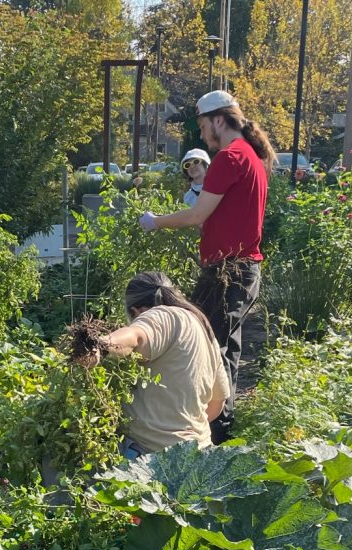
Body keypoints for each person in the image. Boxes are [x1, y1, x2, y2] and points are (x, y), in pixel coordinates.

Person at [137, 90, 274, 443]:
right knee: (227, 349)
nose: (200, 134)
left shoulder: (230, 158)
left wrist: (156, 221)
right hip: (244, 270)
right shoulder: (252, 157)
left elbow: (198, 213)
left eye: (201, 124)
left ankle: (206, 435)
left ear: (218, 119)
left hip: (227, 272)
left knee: (206, 348)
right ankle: (222, 431)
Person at [92, 271, 229, 456]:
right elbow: (217, 402)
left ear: (135, 311)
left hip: (154, 459)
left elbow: (135, 337)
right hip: (199, 452)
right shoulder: (203, 329)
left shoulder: (162, 316)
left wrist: (97, 347)